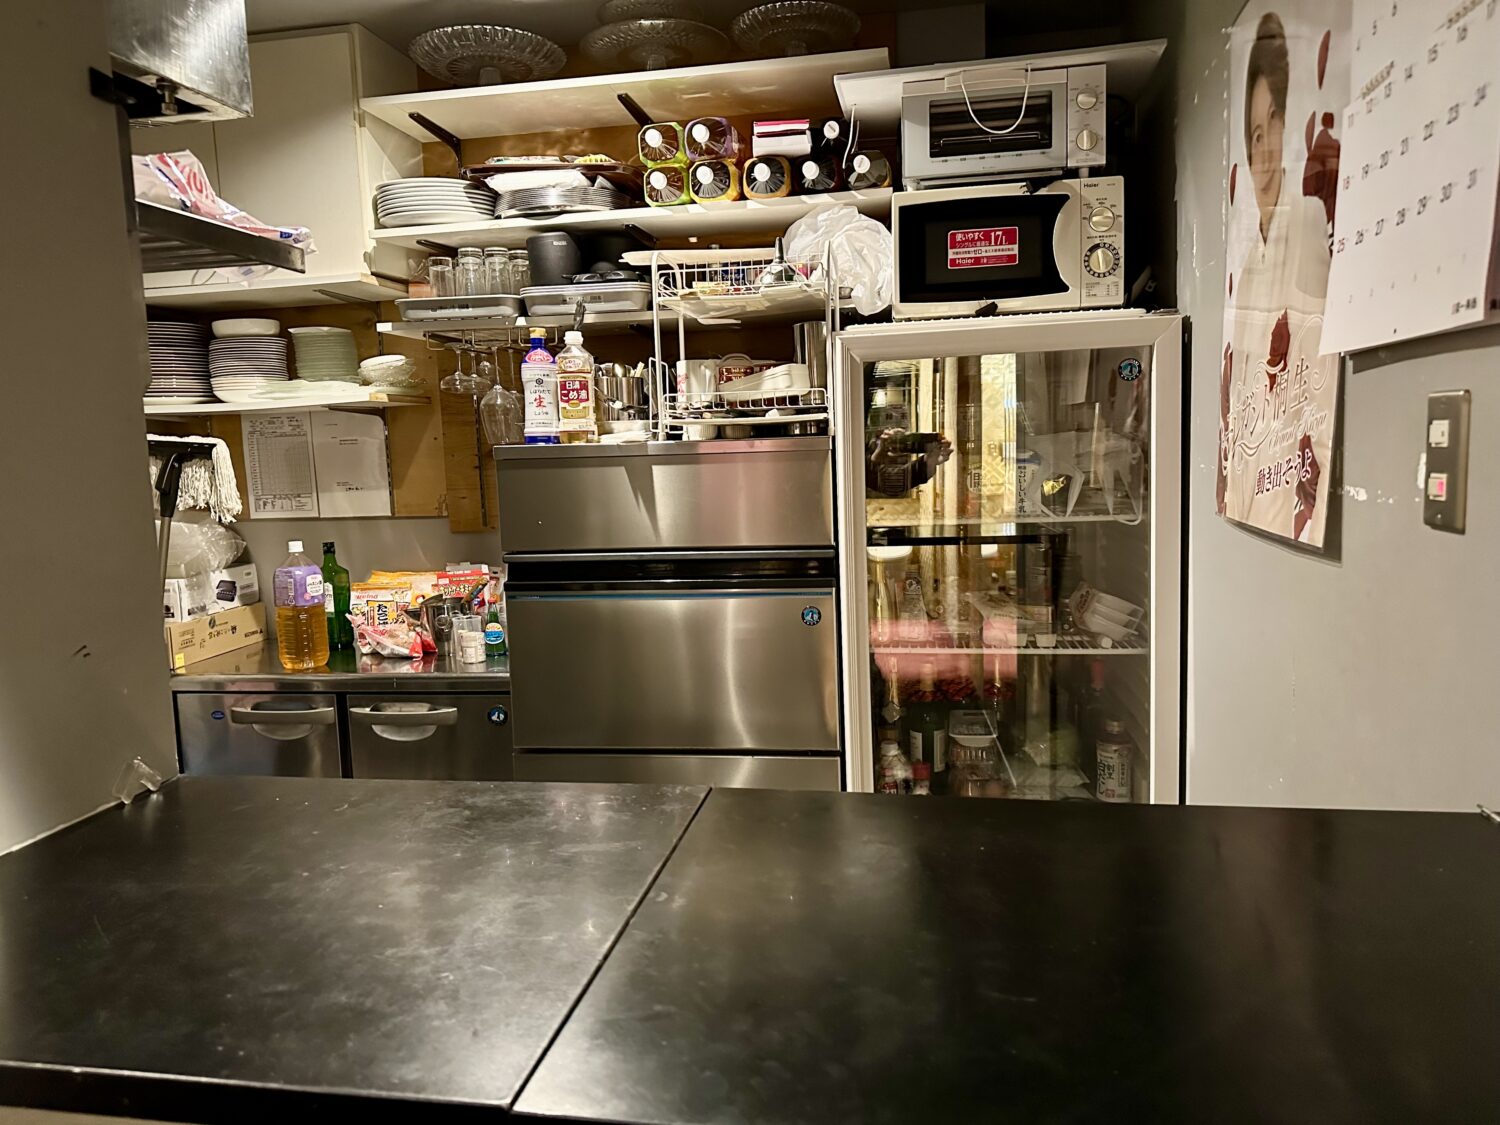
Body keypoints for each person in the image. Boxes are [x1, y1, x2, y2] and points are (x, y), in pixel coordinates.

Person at [1220, 11, 1337, 543]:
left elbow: (1321, 418)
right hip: (1253, 513)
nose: (1264, 147)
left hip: (1284, 515)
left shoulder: (1309, 229)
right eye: (1254, 133)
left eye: (1272, 124)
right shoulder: (1248, 269)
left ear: (1288, 127)